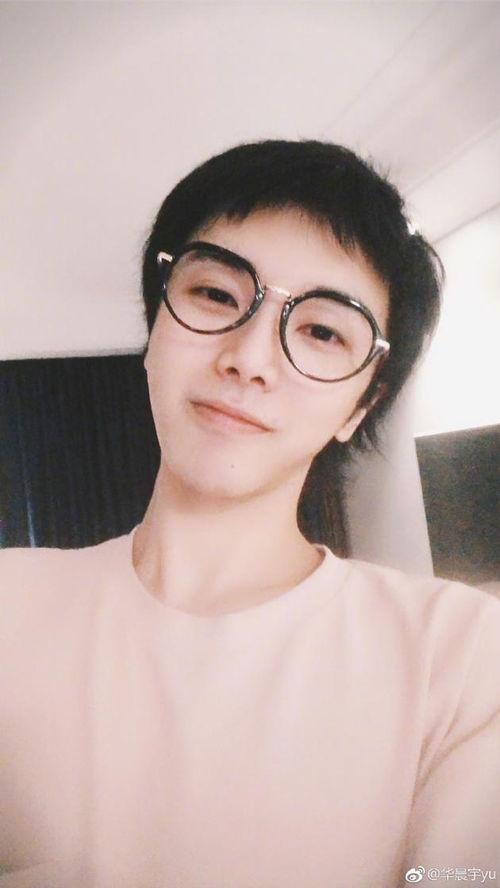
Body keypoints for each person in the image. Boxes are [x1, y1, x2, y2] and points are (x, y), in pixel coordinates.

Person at [1, 140, 499, 888]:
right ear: (154, 330)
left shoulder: (463, 660)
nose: (250, 358)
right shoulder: (10, 603)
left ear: (359, 406)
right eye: (216, 295)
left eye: (323, 332)